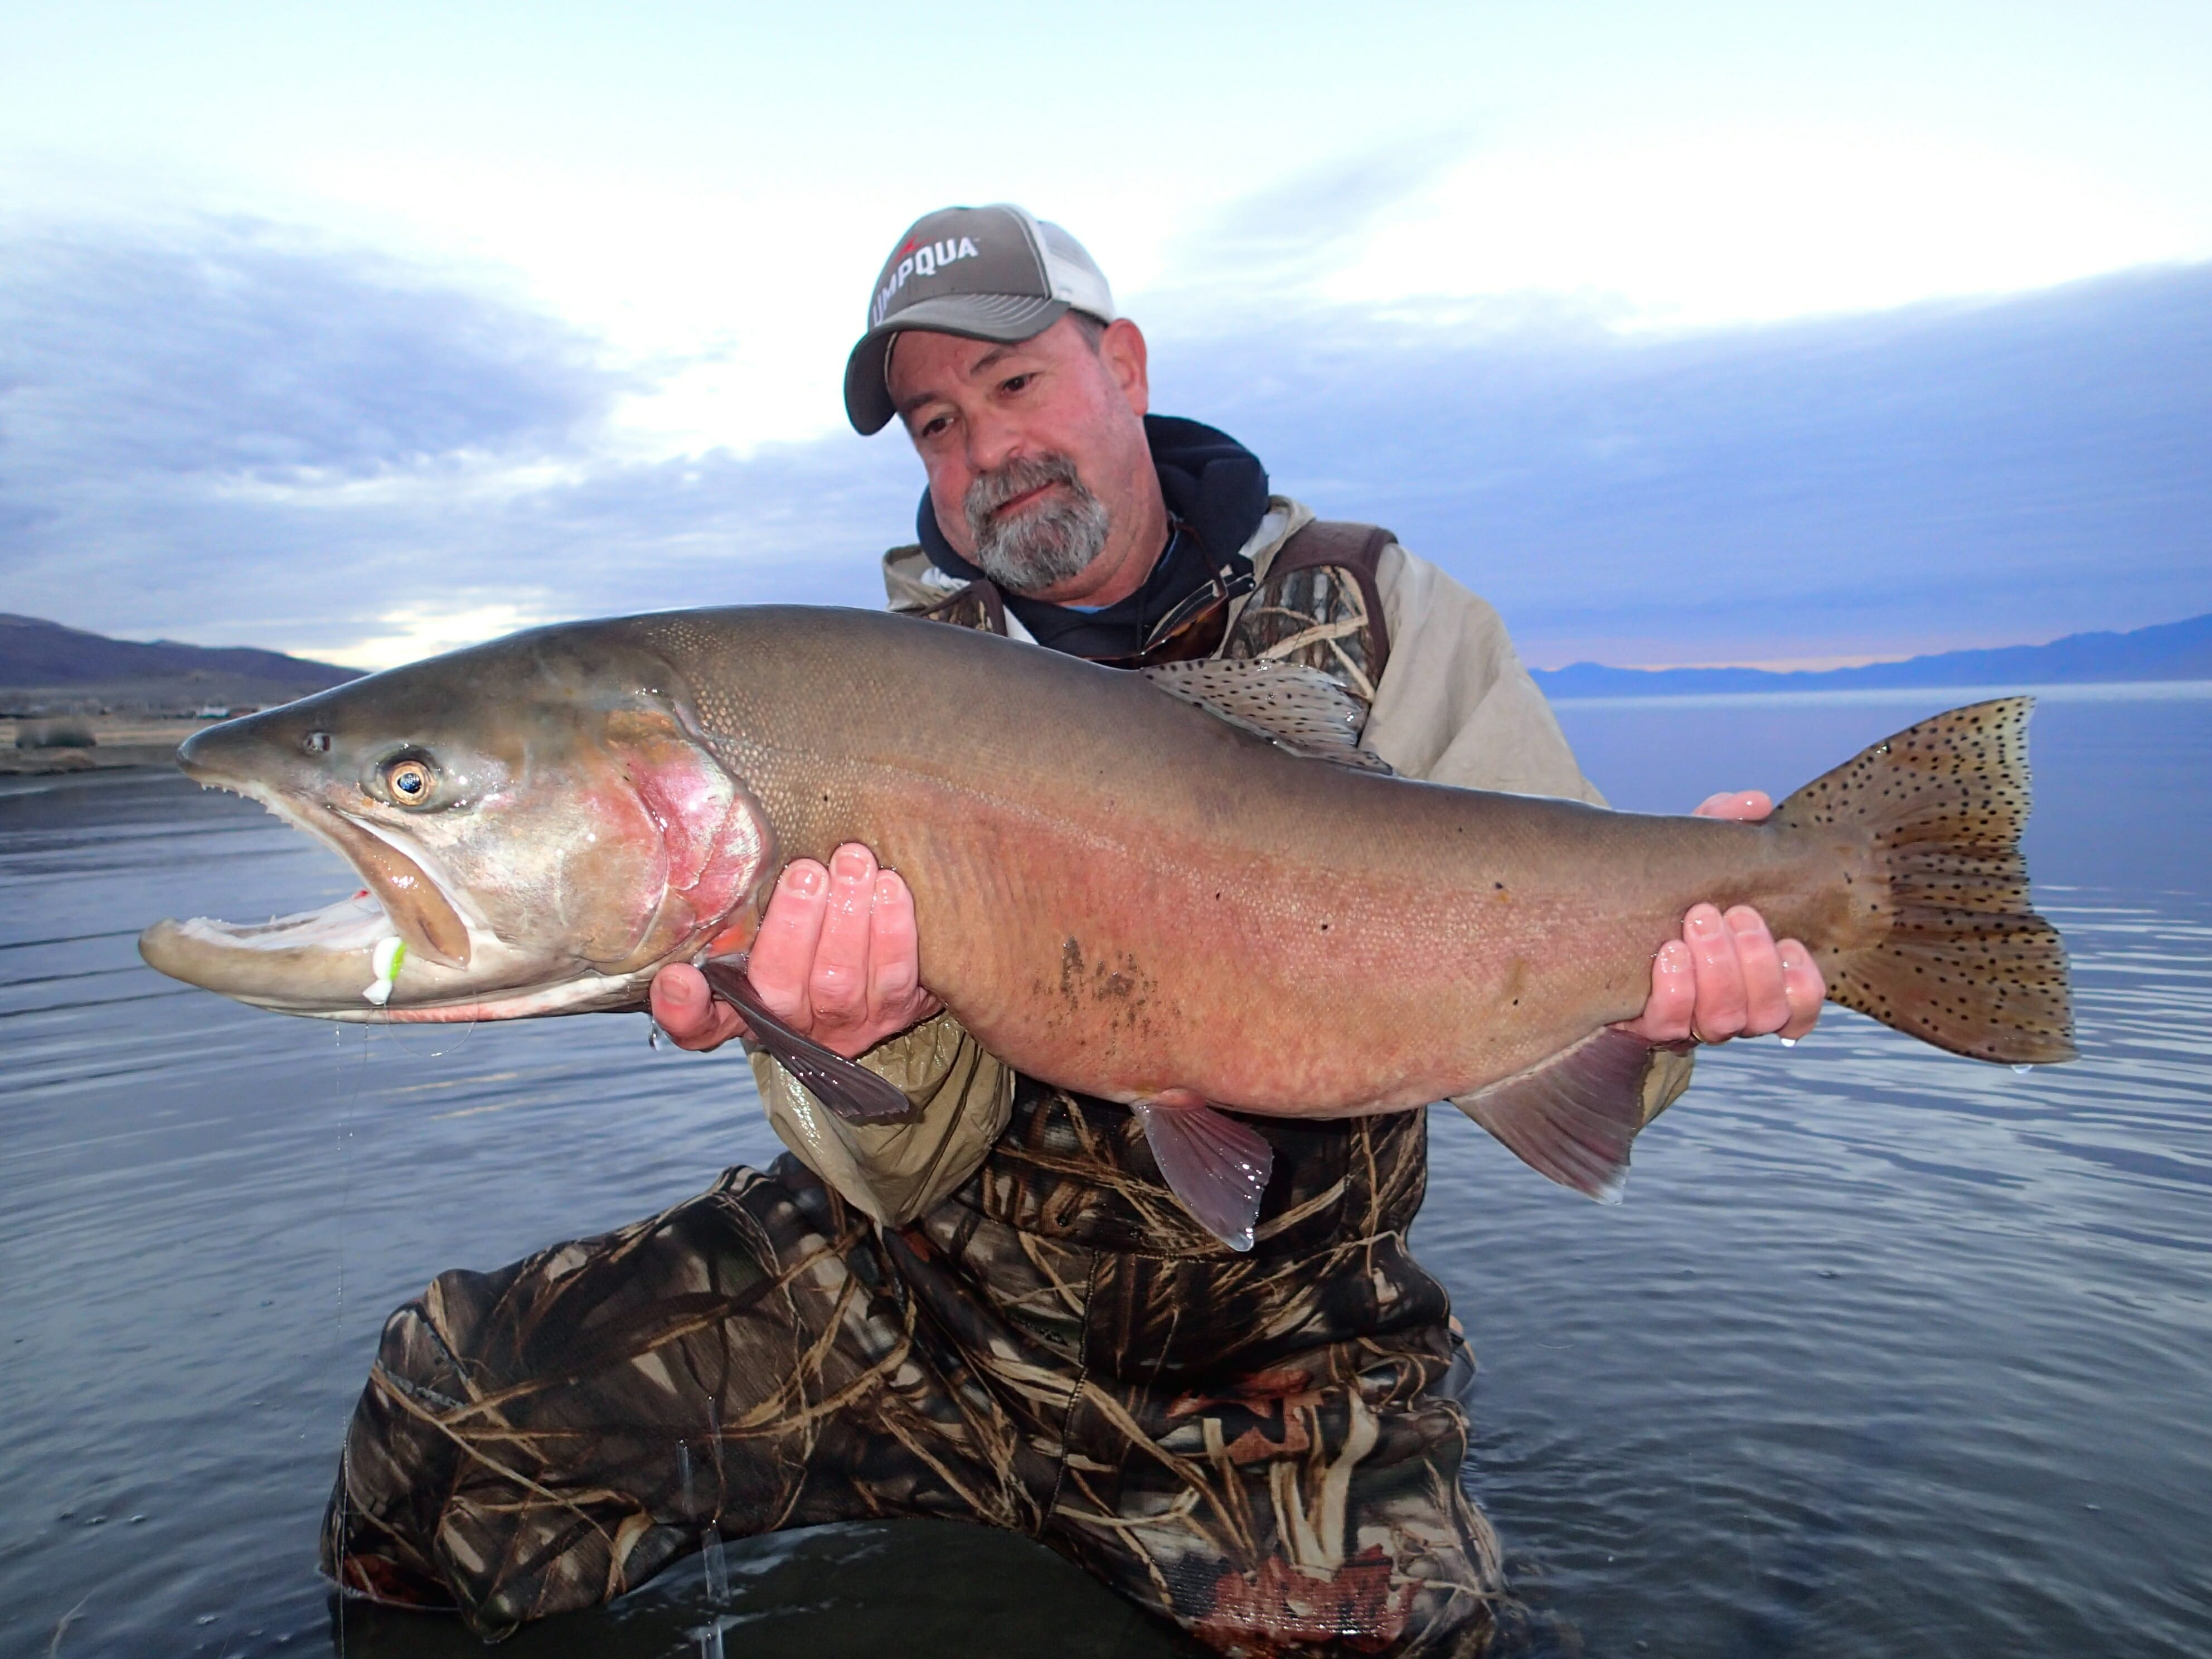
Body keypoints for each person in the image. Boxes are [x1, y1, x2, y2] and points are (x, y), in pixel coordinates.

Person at [323, 205, 1822, 1655]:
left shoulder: (1387, 617)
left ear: (1130, 368)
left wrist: (1675, 1006)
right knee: (450, 1418)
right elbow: (891, 1165)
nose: (985, 451)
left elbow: (1577, 974)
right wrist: (858, 1048)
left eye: (1015, 383)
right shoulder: (863, 695)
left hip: (1274, 1362)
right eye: (935, 425)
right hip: (913, 1310)